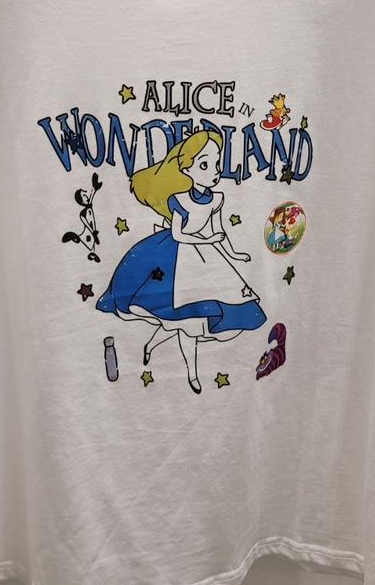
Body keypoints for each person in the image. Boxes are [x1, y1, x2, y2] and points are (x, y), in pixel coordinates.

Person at [96, 129, 266, 394]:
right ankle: (191, 374)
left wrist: (233, 255)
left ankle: (150, 347)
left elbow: (219, 230)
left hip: (208, 260)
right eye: (204, 165)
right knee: (186, 323)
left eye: (216, 163)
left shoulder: (217, 199)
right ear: (187, 169)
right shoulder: (180, 200)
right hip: (178, 258)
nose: (214, 171)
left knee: (184, 323)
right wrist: (207, 240)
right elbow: (178, 234)